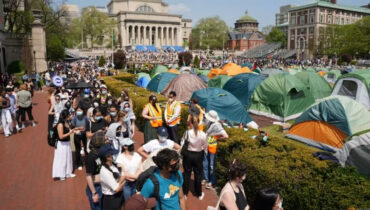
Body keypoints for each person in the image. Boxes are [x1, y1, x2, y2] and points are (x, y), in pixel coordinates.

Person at [182, 115, 207, 200]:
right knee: (198, 175)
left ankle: (185, 193)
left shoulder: (187, 132)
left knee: (186, 174)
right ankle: (199, 194)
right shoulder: (203, 134)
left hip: (188, 155)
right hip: (198, 155)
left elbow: (183, 143)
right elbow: (205, 146)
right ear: (199, 122)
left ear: (191, 123)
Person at [203, 110, 229, 190]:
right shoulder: (210, 123)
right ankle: (206, 179)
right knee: (205, 163)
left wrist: (216, 137)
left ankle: (212, 181)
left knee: (211, 165)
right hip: (207, 146)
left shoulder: (217, 125)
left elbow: (226, 135)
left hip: (212, 147)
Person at [52, 110, 78, 180]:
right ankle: (61, 174)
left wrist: (76, 129)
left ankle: (68, 173)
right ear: (65, 117)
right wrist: (70, 133)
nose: (70, 116)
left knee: (68, 158)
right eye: (69, 115)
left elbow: (70, 130)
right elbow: (61, 136)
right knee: (62, 159)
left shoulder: (67, 123)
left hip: (67, 143)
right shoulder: (60, 125)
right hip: (61, 145)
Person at [99, 144, 125, 210]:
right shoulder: (104, 171)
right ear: (107, 157)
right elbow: (116, 188)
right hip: (111, 201)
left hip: (118, 197)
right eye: (111, 153)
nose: (113, 155)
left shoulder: (113, 164)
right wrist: (123, 179)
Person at [85, 131, 106, 210]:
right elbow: (88, 176)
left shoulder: (100, 153)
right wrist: (94, 193)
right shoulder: (90, 157)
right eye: (105, 139)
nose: (106, 140)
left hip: (102, 185)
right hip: (96, 188)